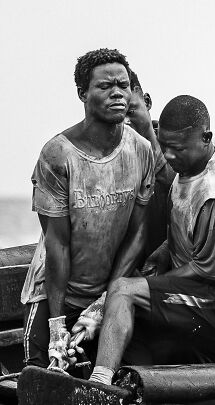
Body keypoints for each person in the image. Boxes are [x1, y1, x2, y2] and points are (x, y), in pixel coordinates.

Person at [88, 95, 215, 384]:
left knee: (122, 291)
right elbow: (184, 234)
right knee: (123, 318)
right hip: (203, 296)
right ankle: (139, 386)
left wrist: (143, 287)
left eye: (178, 148)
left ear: (206, 138)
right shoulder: (186, 172)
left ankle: (97, 386)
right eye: (164, 146)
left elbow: (212, 270)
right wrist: (161, 253)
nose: (168, 156)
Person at [21, 48, 154, 371]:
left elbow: (137, 233)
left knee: (130, 380)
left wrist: (103, 302)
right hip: (53, 294)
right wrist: (56, 325)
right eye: (105, 86)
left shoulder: (141, 150)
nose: (117, 93)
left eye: (123, 85)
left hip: (108, 293)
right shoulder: (57, 155)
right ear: (83, 93)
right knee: (40, 377)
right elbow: (58, 245)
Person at [124, 70, 215, 257]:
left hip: (197, 272)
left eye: (130, 111)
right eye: (115, 118)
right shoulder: (118, 166)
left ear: (146, 101)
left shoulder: (210, 156)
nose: (125, 122)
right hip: (148, 268)